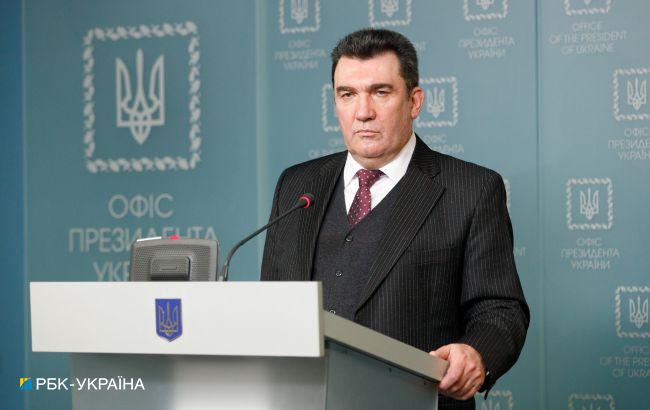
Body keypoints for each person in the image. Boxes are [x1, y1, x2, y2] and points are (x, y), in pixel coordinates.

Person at [261, 28, 529, 409]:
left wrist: (476, 353)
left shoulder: (471, 190)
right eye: (347, 94)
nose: (363, 112)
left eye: (381, 92)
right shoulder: (297, 186)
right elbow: (270, 305)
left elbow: (501, 309)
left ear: (414, 101)